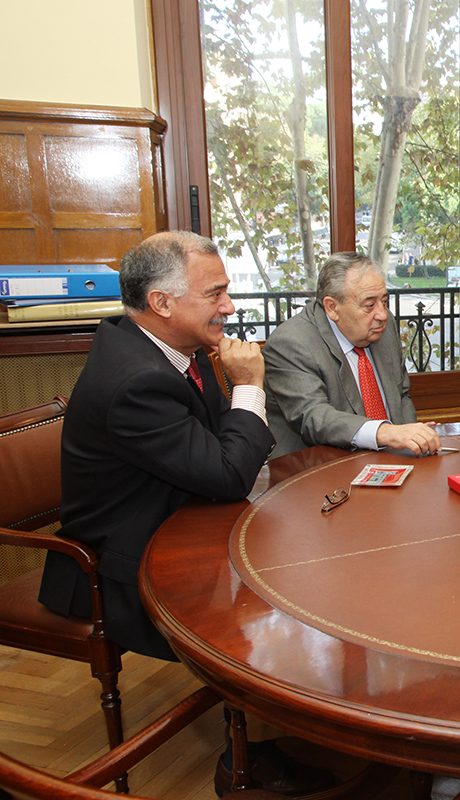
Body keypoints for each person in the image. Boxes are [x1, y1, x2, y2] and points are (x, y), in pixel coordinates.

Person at [36, 232, 332, 796]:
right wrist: (248, 384)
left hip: (181, 520)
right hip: (117, 566)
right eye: (216, 293)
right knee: (277, 609)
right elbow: (226, 473)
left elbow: (223, 453)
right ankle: (250, 759)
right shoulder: (136, 381)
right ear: (162, 303)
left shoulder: (170, 352)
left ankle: (281, 728)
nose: (230, 306)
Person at [264, 252, 441, 458]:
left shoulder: (383, 326)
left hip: (388, 463)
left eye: (384, 301)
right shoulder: (291, 343)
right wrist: (385, 432)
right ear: (332, 308)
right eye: (369, 305)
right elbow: (314, 417)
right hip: (316, 470)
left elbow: (400, 394)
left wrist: (409, 437)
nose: (382, 314)